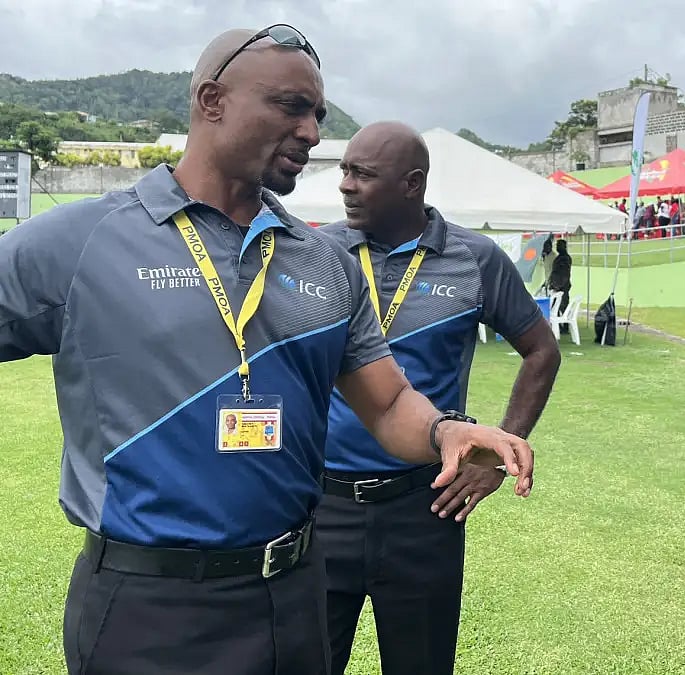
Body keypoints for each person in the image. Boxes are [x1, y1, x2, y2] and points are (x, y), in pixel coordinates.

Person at [0, 26, 533, 675]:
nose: (311, 132)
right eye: (290, 106)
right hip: (148, 606)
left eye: (318, 115)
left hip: (294, 596)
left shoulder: (323, 260)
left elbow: (389, 401)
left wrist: (446, 431)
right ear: (212, 100)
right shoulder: (83, 241)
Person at [318, 121, 562, 675]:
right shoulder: (320, 252)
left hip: (425, 506)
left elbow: (541, 351)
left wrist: (497, 452)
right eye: (345, 171)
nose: (346, 185)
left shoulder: (475, 258)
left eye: (363, 174)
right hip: (321, 504)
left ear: (412, 184)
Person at [548, 238, 572, 332]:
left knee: (563, 305)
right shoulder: (560, 257)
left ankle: (564, 327)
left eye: (559, 246)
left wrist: (558, 285)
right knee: (556, 306)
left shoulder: (565, 258)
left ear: (564, 247)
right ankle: (558, 326)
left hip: (562, 286)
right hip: (558, 285)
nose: (557, 247)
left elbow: (564, 274)